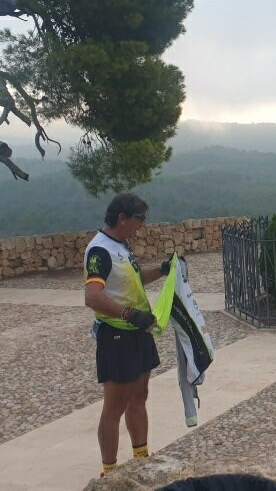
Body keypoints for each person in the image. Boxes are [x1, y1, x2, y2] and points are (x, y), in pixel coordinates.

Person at [84, 192, 174, 477]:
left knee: (139, 395)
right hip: (117, 335)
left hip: (138, 332)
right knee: (115, 406)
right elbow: (92, 297)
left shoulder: (121, 245)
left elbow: (133, 280)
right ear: (122, 218)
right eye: (140, 218)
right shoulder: (100, 250)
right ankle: (109, 473)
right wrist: (128, 314)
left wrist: (162, 270)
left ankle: (141, 458)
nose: (143, 224)